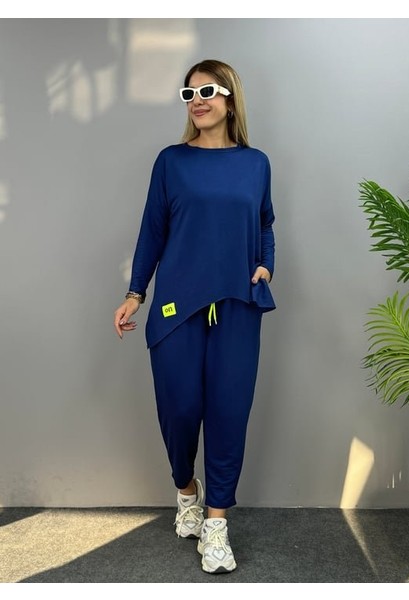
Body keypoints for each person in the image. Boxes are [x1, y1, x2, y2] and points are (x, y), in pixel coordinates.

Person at [114, 59, 276, 574]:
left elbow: (265, 223)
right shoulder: (172, 162)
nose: (197, 101)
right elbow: (152, 230)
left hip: (237, 304)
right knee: (179, 409)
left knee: (229, 412)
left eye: (207, 91)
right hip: (176, 306)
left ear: (230, 97)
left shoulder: (255, 164)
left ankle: (217, 524)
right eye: (189, 94)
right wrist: (136, 293)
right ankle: (187, 491)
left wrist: (266, 264)